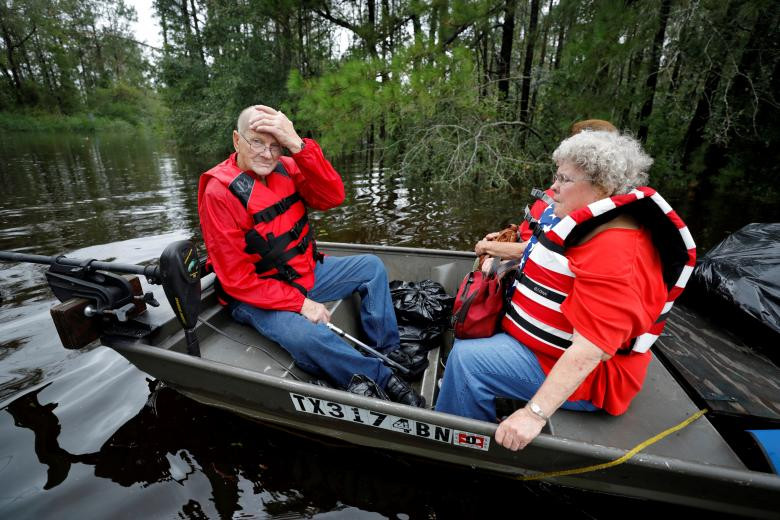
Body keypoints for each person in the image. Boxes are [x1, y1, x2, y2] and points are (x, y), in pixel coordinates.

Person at [435, 130, 696, 450]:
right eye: (555, 176)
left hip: (593, 380)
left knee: (468, 359)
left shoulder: (619, 252)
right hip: (544, 349)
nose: (553, 188)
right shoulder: (587, 219)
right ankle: (468, 407)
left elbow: (592, 349)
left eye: (565, 179)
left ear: (604, 187)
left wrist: (533, 414)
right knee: (474, 328)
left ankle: (454, 444)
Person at [197, 105, 426, 407]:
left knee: (370, 266)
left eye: (275, 145)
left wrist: (298, 145)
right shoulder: (218, 193)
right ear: (237, 140)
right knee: (308, 337)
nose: (267, 154)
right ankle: (380, 376)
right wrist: (300, 303)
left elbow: (333, 196)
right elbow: (238, 281)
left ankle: (386, 349)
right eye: (257, 142)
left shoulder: (286, 166)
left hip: (304, 273)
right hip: (257, 295)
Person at [476, 119, 618, 273]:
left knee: (480, 268)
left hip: (525, 258)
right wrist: (513, 233)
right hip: (522, 246)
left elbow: (534, 248)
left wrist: (490, 248)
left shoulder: (575, 202)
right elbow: (533, 229)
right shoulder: (561, 191)